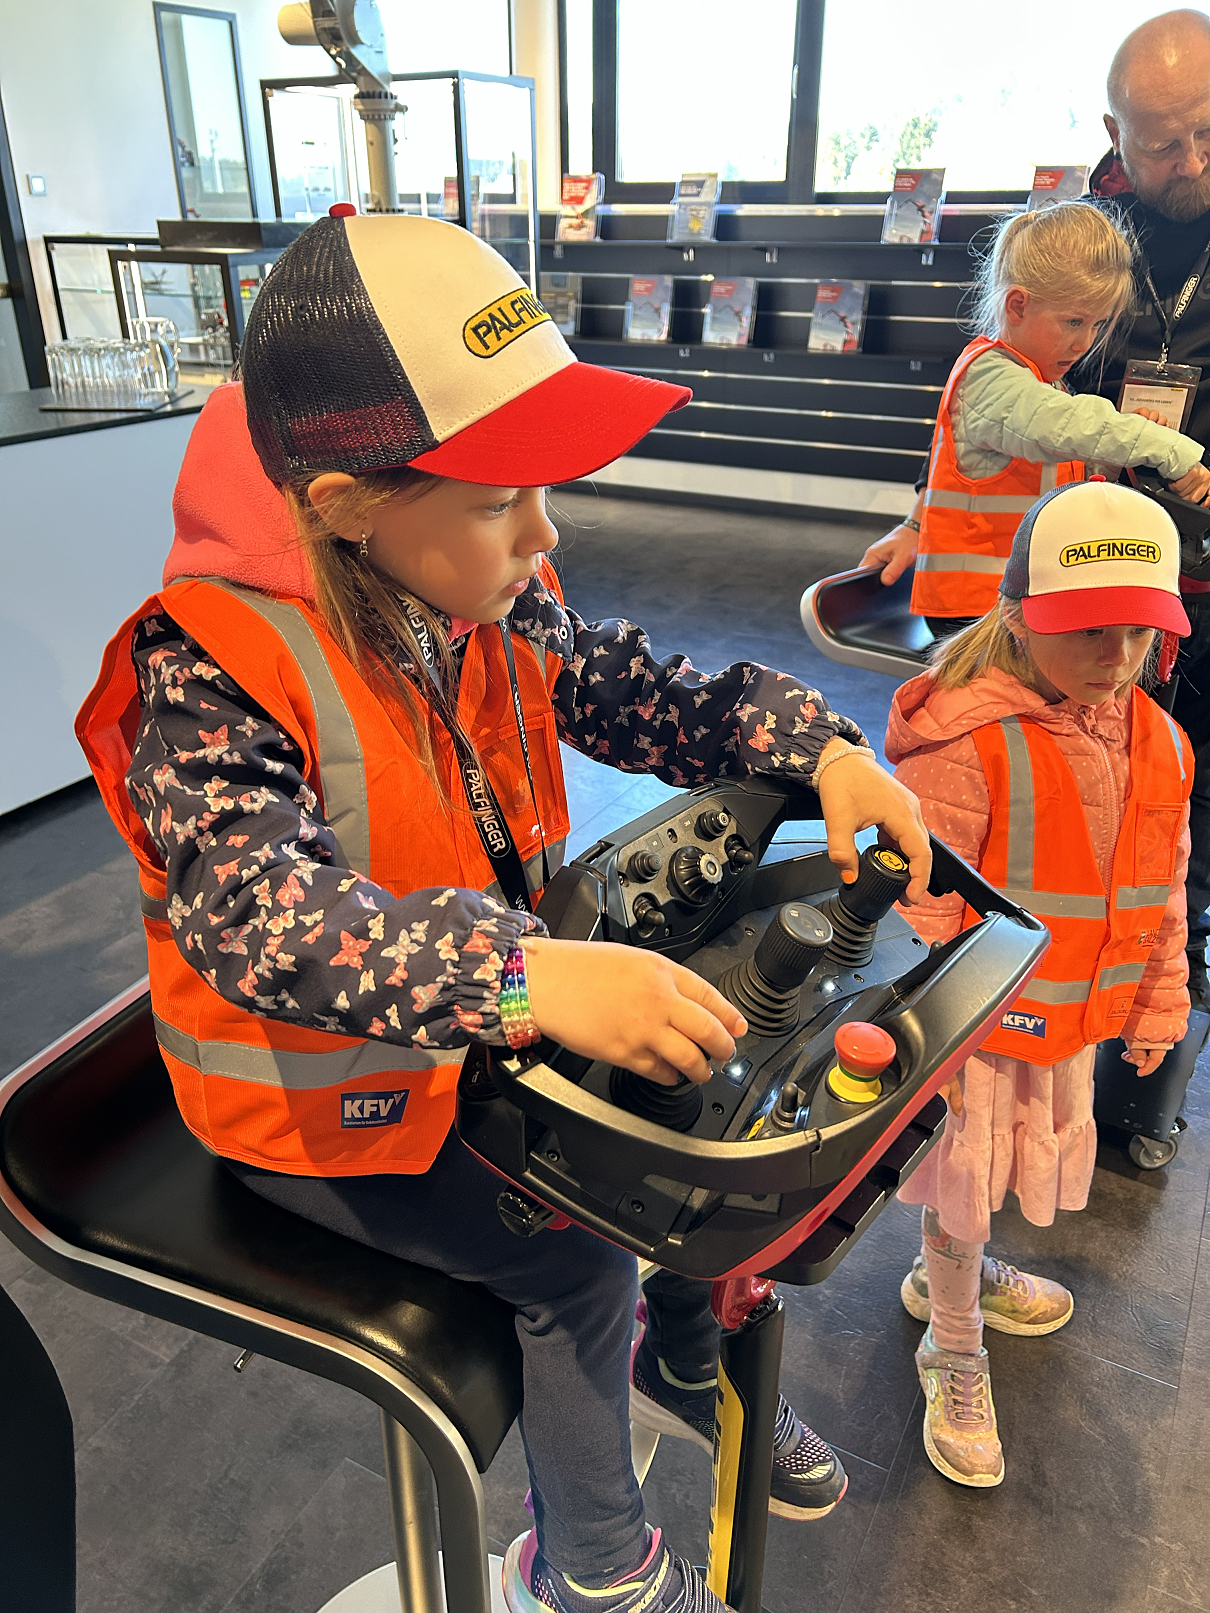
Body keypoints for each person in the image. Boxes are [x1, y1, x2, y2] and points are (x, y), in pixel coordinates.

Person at [76, 213, 933, 1613]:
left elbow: (649, 693)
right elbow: (262, 917)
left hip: (465, 1040)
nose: (548, 536)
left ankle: (688, 1358)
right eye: (499, 500)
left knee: (686, 1123)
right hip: (320, 1109)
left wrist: (822, 745)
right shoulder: (207, 670)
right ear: (350, 501)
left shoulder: (485, 593)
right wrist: (531, 981)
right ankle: (602, 1569)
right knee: (577, 1257)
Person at [861, 9, 1210, 1009]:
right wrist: (1180, 454)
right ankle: (957, 940)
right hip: (996, 613)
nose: (1187, 159)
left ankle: (1086, 945)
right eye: (1076, 324)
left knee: (1108, 764)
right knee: (995, 759)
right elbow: (1081, 427)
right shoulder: (1008, 377)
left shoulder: (1024, 365)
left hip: (1061, 593)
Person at [884, 479, 1191, 1486]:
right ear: (1019, 614)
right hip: (971, 1032)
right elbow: (920, 911)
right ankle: (955, 1342)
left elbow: (1160, 882)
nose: (1117, 659)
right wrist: (914, 1039)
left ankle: (951, 1277)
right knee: (962, 1179)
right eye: (1091, 633)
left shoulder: (1157, 738)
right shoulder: (963, 741)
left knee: (986, 1184)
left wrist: (1158, 1001)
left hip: (1067, 1022)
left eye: (1137, 635)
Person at [912, 199, 1210, 633]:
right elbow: (1068, 424)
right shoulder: (990, 377)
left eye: (1097, 325)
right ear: (1017, 306)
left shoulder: (1039, 382)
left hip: (1013, 599)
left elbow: (1048, 463)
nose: (1084, 342)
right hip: (975, 610)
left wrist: (1109, 462)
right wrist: (1170, 449)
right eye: (1073, 322)